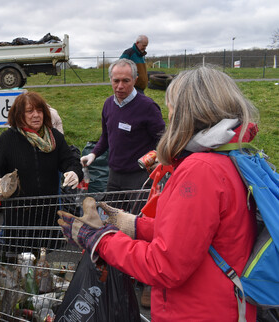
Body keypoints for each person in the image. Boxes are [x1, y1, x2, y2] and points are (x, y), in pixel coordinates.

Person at [58, 66, 259, 321]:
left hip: (197, 310)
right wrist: (131, 225)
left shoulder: (200, 171)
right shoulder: (229, 155)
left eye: (172, 107)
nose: (170, 115)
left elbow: (165, 266)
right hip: (220, 302)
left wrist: (100, 239)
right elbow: (193, 235)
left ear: (188, 111)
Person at [0, 92, 83, 253]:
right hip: (18, 216)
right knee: (16, 259)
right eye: (30, 111)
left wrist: (74, 172)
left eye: (39, 110)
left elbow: (70, 161)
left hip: (47, 214)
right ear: (19, 115)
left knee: (43, 260)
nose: (36, 115)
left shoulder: (55, 137)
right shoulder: (7, 140)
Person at [81, 59, 165, 194]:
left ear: (135, 80)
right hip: (114, 175)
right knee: (113, 214)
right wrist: (93, 153)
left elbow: (163, 139)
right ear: (110, 80)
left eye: (126, 81)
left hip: (140, 176)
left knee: (137, 215)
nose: (120, 86)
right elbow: (106, 136)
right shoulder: (108, 104)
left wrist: (160, 159)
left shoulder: (148, 107)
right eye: (116, 81)